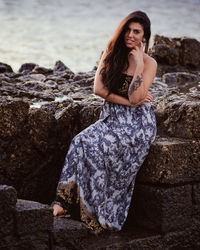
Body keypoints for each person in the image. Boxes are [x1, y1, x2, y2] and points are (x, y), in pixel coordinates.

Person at [52, 10, 157, 234]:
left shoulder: (149, 63)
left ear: (144, 36)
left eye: (136, 32)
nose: (130, 35)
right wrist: (128, 103)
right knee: (80, 141)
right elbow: (99, 90)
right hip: (112, 117)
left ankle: (92, 209)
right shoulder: (111, 53)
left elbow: (137, 98)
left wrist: (138, 64)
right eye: (127, 30)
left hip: (138, 126)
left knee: (96, 148)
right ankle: (62, 203)